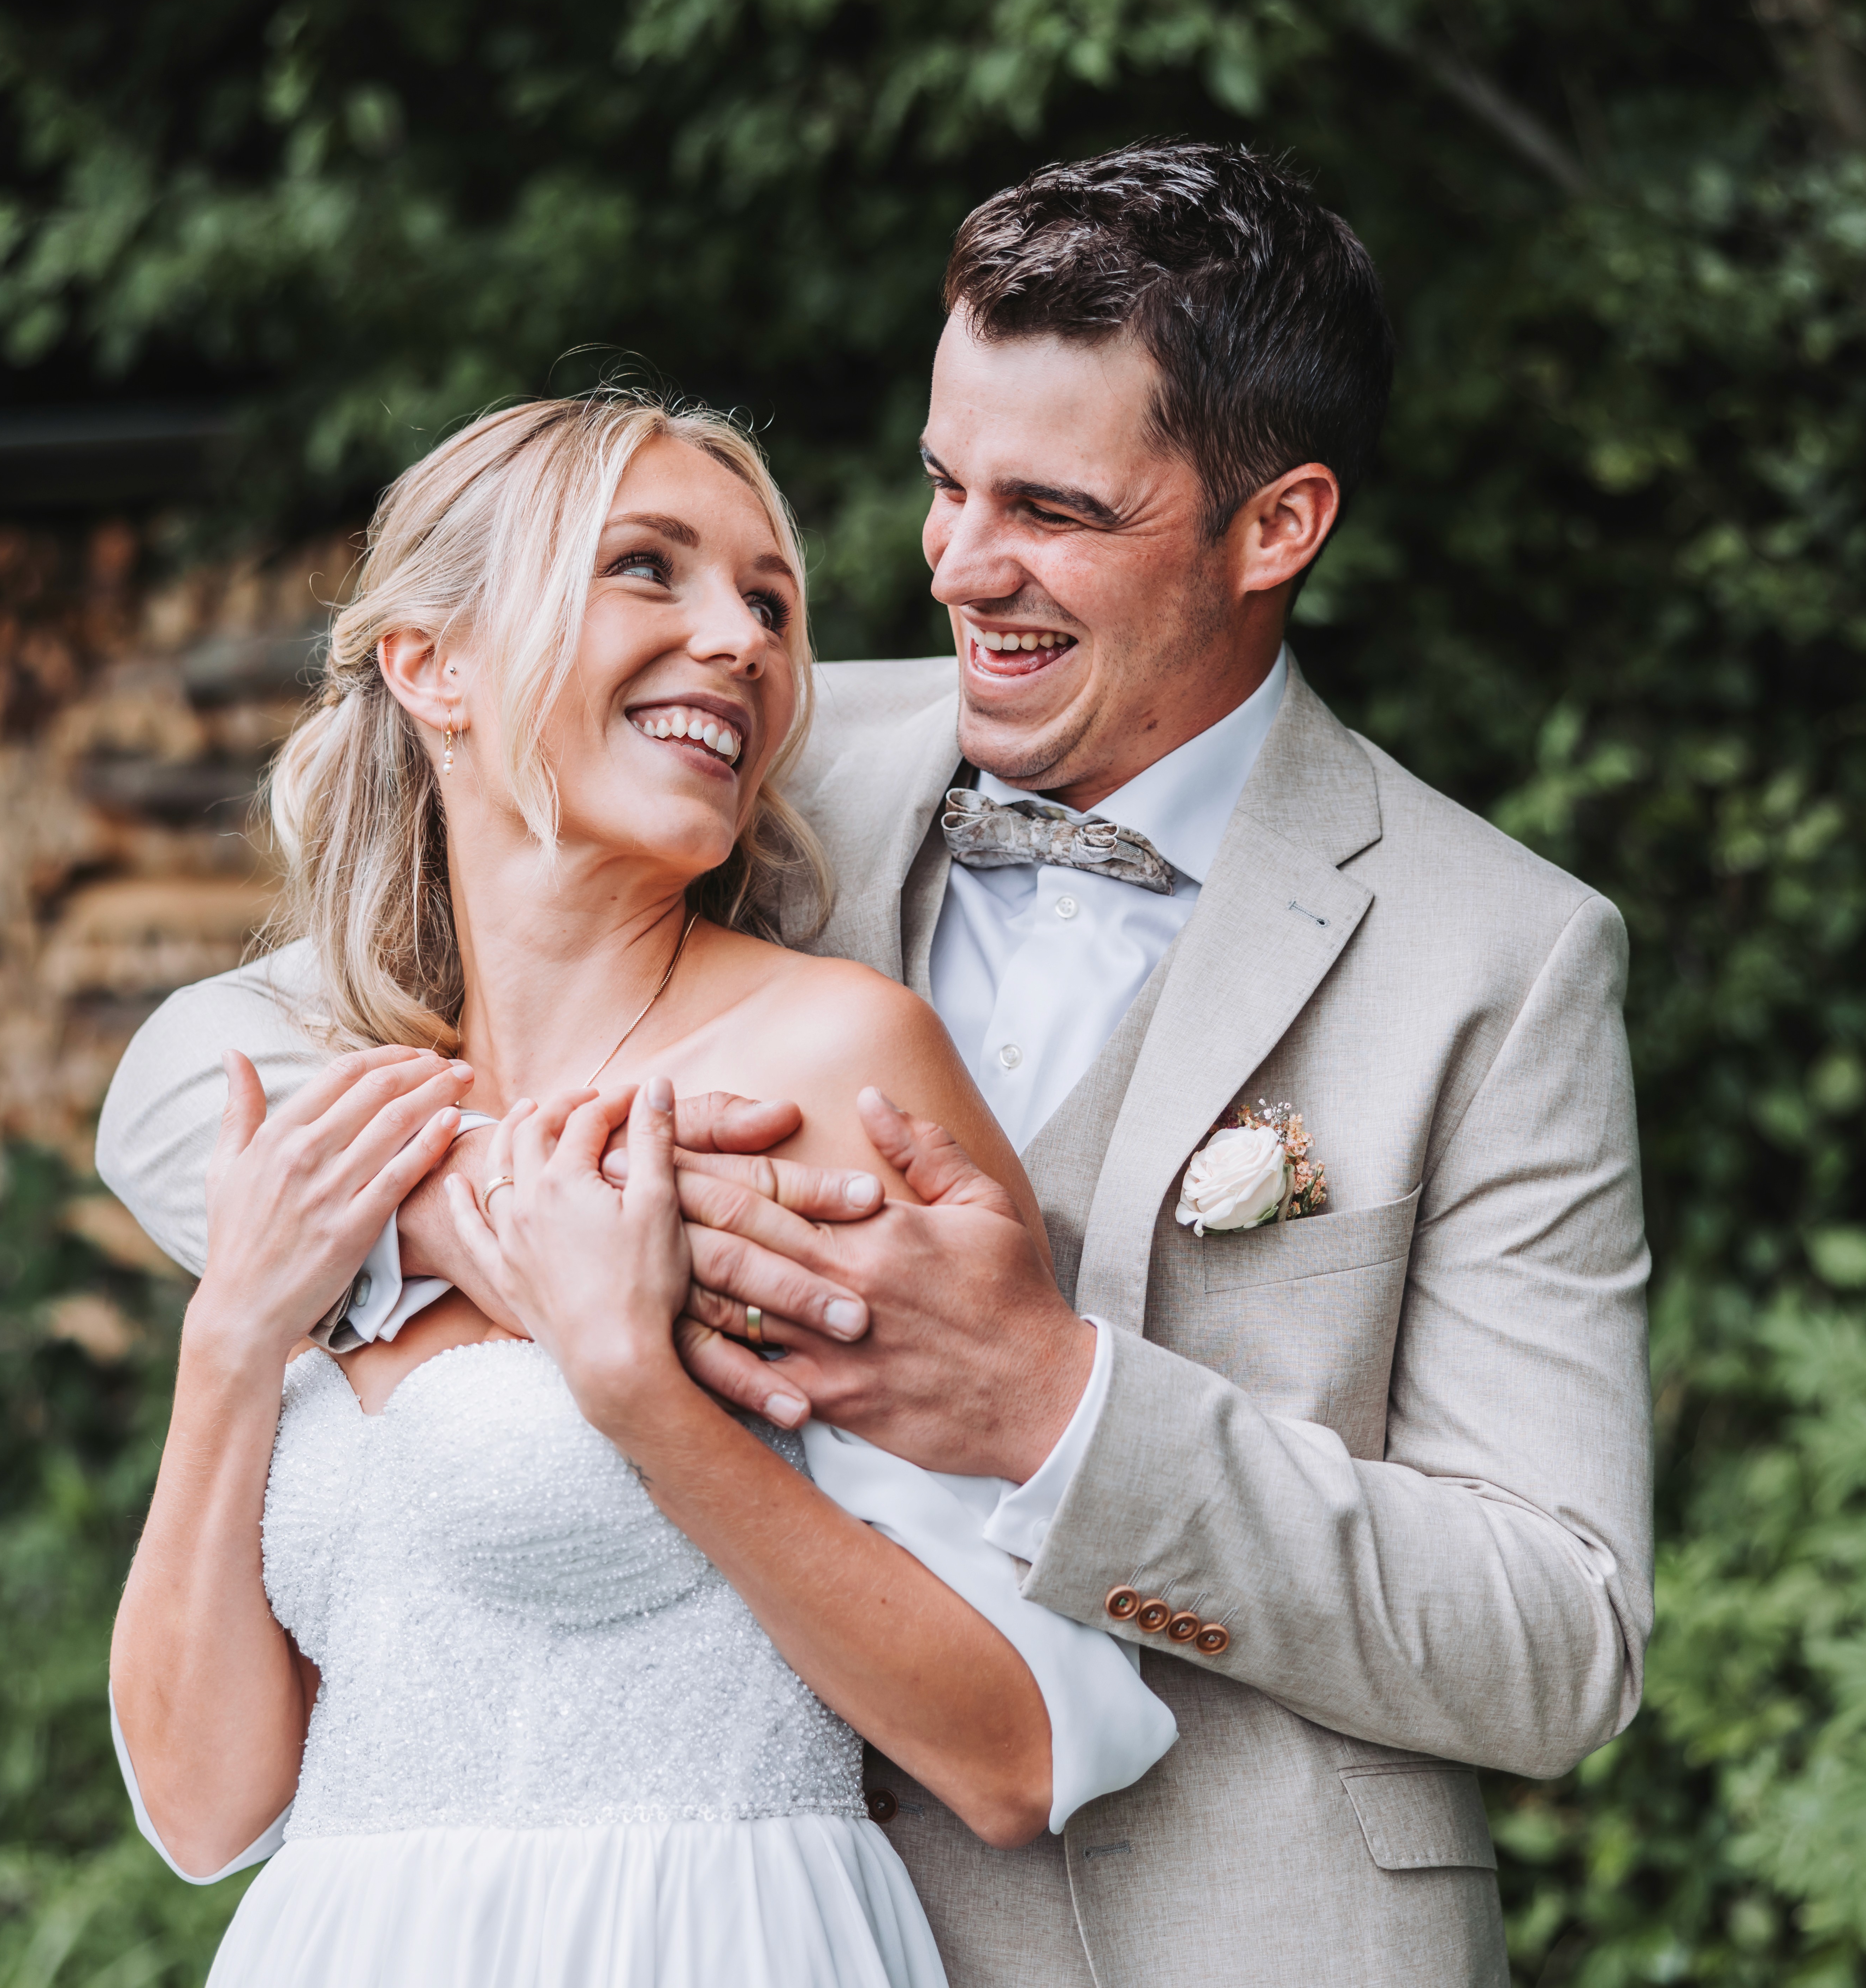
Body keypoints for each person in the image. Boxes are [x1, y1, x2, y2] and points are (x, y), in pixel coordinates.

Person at [107, 141, 1654, 1986]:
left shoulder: (1495, 953)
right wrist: (489, 1213)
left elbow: (1557, 1636)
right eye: (941, 484)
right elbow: (202, 1061)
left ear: (1275, 526)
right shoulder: (746, 767)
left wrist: (1058, 1406)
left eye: (1053, 509)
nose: (954, 565)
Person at [100, 391, 1176, 1988]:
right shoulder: (333, 1117)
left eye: (768, 603)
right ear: (430, 664)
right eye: (647, 569)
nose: (737, 638)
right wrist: (234, 1338)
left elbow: (1015, 1748)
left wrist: (634, 1391)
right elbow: (205, 1808)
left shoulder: (823, 1069)